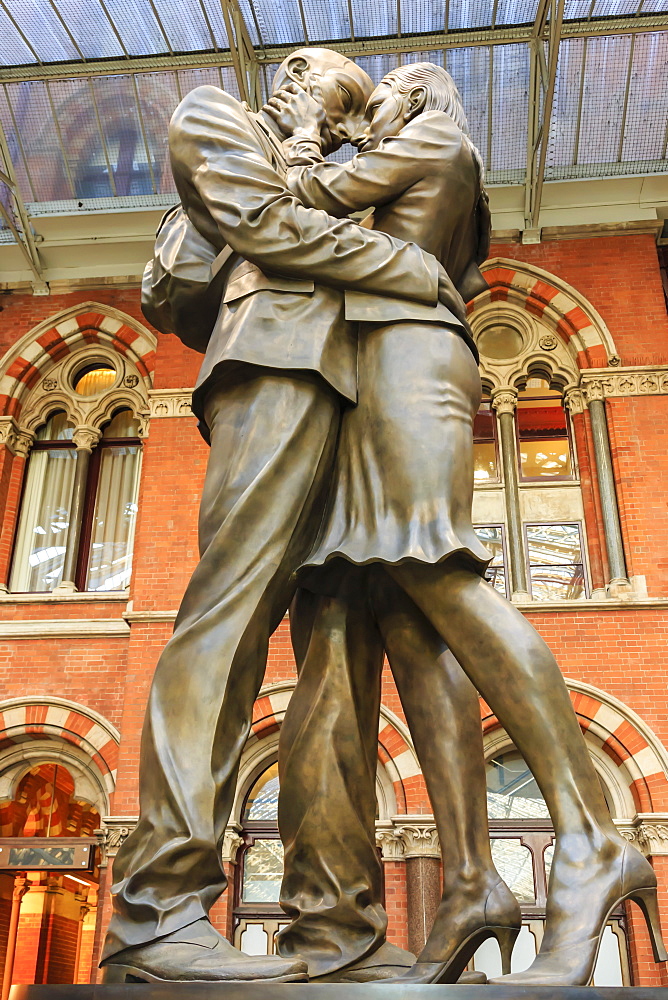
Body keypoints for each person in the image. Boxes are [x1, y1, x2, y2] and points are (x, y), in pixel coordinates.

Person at [269, 62, 667, 987]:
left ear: (418, 96)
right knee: (408, 611)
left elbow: (304, 201)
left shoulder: (432, 138)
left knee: (441, 576)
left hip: (409, 363)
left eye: (386, 93)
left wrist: (304, 133)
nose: (372, 105)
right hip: (384, 367)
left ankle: (590, 837)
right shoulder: (418, 159)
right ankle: (475, 882)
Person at [99, 48, 467, 986]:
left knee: (343, 661)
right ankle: (158, 908)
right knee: (228, 613)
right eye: (308, 80)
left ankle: (331, 929)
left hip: (360, 397)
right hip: (274, 369)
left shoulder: (350, 173)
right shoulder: (219, 118)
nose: (312, 95)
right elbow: (216, 258)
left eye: (341, 100)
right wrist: (408, 268)